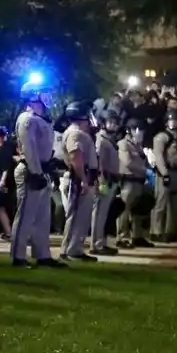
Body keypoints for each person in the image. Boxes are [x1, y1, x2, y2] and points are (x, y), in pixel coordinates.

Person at [11, 80, 64, 269]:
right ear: (33, 95)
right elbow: (29, 148)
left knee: (43, 216)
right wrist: (36, 172)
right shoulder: (27, 119)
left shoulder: (43, 118)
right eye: (44, 92)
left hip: (42, 169)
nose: (48, 96)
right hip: (31, 170)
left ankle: (43, 255)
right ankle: (18, 256)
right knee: (25, 215)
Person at [59, 102, 99, 262]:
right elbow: (76, 157)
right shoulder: (77, 134)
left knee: (80, 216)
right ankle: (71, 249)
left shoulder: (76, 132)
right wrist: (83, 180)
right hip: (78, 178)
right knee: (76, 215)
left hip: (81, 177)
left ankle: (74, 248)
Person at [151, 109, 177, 243]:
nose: (173, 122)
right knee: (161, 203)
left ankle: (171, 231)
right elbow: (159, 156)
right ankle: (156, 231)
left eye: (175, 120)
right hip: (166, 172)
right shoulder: (161, 137)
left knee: (175, 205)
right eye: (171, 120)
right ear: (166, 122)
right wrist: (164, 173)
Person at [116, 118, 152, 248]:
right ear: (129, 131)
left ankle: (137, 236)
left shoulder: (138, 145)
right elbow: (128, 162)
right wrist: (145, 170)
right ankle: (121, 237)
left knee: (138, 211)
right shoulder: (123, 144)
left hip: (139, 181)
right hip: (128, 180)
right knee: (124, 210)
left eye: (141, 130)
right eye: (137, 130)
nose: (140, 132)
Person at [90, 112, 122, 256]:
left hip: (111, 179)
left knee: (103, 213)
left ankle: (100, 242)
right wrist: (101, 180)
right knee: (99, 213)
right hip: (105, 179)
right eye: (110, 122)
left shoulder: (109, 139)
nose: (113, 125)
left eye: (115, 122)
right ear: (104, 123)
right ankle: (96, 244)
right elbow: (99, 162)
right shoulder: (101, 139)